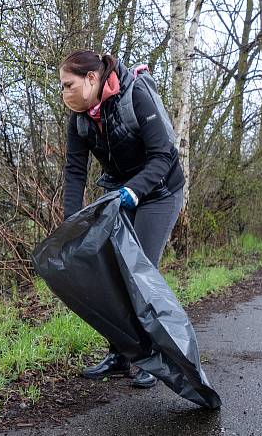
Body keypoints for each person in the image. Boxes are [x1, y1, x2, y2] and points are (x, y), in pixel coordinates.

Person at [61, 50, 185, 387]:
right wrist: (70, 221)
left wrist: (134, 191)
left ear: (91, 79)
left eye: (68, 85)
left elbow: (164, 155)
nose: (64, 93)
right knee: (113, 272)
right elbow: (74, 171)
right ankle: (120, 353)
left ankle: (152, 357)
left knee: (140, 272)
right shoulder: (81, 117)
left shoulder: (136, 95)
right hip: (121, 191)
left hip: (160, 190)